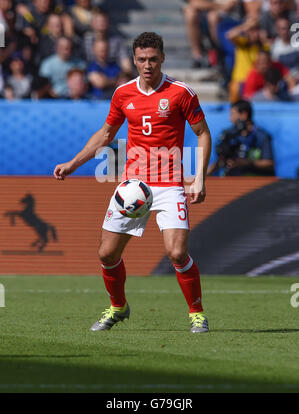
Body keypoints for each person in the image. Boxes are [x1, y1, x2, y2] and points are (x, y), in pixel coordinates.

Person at [53, 32, 212, 334]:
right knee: (106, 254)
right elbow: (105, 134)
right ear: (134, 60)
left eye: (153, 59)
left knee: (177, 253)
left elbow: (203, 133)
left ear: (162, 58)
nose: (147, 65)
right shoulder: (123, 93)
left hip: (169, 185)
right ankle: (118, 306)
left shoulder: (181, 93)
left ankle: (197, 313)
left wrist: (199, 178)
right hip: (132, 187)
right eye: (141, 60)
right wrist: (73, 164)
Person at [208, 100, 275, 176]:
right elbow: (220, 161)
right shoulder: (229, 135)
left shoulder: (261, 136)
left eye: (232, 114)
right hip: (231, 180)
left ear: (244, 115)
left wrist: (246, 163)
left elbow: (270, 164)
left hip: (254, 182)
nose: (230, 119)